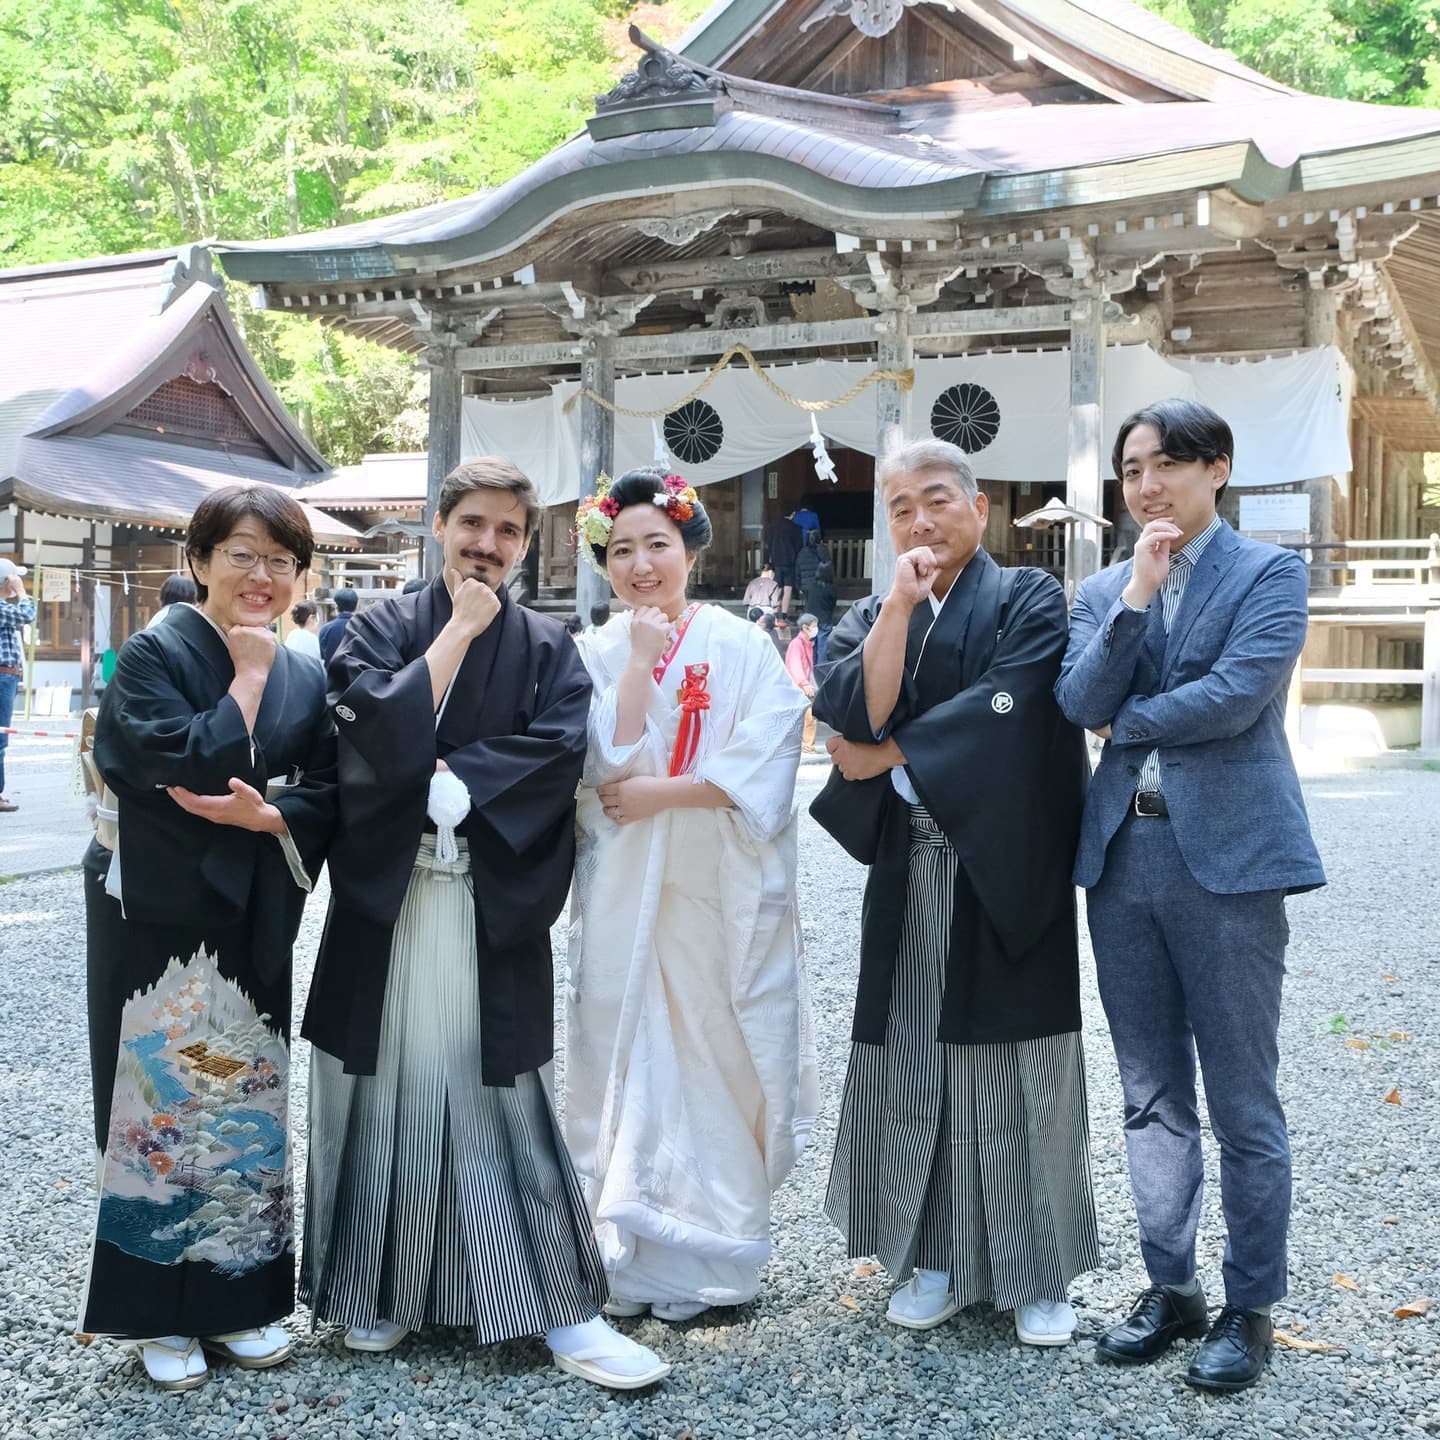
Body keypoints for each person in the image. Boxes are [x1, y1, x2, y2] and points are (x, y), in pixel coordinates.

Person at [300, 457, 667, 1391]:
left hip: (485, 896)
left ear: (525, 544)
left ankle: (555, 1306)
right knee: (384, 1086)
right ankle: (381, 1288)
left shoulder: (548, 647)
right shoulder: (375, 626)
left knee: (503, 1090)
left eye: (508, 532)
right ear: (438, 525)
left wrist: (462, 784)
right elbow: (365, 729)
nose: (487, 546)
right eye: (472, 525)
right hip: (389, 900)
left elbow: (556, 749)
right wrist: (459, 636)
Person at [1055, 400, 1325, 1393]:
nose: (1146, 485)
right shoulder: (1102, 591)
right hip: (1124, 859)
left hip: (1232, 862)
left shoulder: (1270, 573)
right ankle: (1172, 1289)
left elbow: (1237, 695)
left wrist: (1126, 720)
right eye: (1130, 469)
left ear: (1217, 468)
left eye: (1167, 463)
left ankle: (1250, 1306)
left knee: (1243, 1102)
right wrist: (1136, 597)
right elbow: (1079, 702)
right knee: (1149, 1099)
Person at [811, 438, 1098, 1348]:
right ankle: (930, 1252)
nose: (921, 520)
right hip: (912, 866)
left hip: (1006, 867)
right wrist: (897, 599)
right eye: (900, 508)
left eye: (937, 500)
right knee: (914, 1061)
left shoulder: (1028, 598)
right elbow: (852, 706)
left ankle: (1036, 1270)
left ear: (980, 509)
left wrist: (891, 752)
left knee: (1016, 1068)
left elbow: (1012, 706)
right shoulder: (872, 610)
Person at [80, 485, 336, 1389]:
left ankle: (237, 1302)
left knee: (241, 1094)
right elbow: (169, 761)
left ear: (301, 573)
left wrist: (276, 818)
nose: (261, 575)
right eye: (241, 553)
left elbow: (328, 788)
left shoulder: (311, 668)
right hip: (156, 909)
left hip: (253, 906)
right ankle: (155, 1309)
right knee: (159, 1093)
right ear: (198, 563)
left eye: (281, 559)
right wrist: (251, 679)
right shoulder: (155, 652)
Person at [567, 467, 820, 1323]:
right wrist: (638, 661)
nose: (641, 564)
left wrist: (665, 795)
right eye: (623, 549)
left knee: (719, 1049)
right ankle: (629, 1249)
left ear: (688, 551)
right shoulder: (597, 651)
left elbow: (771, 753)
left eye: (658, 545)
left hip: (715, 883)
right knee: (626, 1047)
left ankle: (719, 1250)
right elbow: (601, 764)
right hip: (626, 886)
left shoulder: (741, 643)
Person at [0, 558, 36, 814]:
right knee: (0, 737)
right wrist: (22, 592)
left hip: (7, 676)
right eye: (14, 578)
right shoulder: (1, 608)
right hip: (3, 676)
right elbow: (27, 614)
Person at [784, 614, 820, 755]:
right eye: (814, 626)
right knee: (810, 717)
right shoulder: (797, 644)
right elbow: (795, 665)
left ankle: (806, 746)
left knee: (807, 717)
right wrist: (805, 684)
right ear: (805, 628)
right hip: (799, 686)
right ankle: (807, 747)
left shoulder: (807, 643)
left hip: (802, 685)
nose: (816, 629)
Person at [764, 513, 802, 620]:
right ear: (792, 514)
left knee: (777, 587)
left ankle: (775, 612)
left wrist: (768, 561)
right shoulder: (795, 527)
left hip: (776, 561)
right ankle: (784, 614)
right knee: (788, 588)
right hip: (790, 562)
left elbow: (768, 545)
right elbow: (798, 546)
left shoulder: (773, 527)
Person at [807, 558, 837, 669]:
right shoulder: (831, 588)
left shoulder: (811, 585)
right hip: (825, 618)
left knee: (811, 644)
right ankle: (821, 668)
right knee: (823, 646)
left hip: (810, 618)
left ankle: (810, 666)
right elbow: (832, 605)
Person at [318, 587, 356, 666]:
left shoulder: (326, 629)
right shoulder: (362, 628)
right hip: (356, 676)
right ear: (356, 606)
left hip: (331, 675)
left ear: (336, 606)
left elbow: (322, 655)